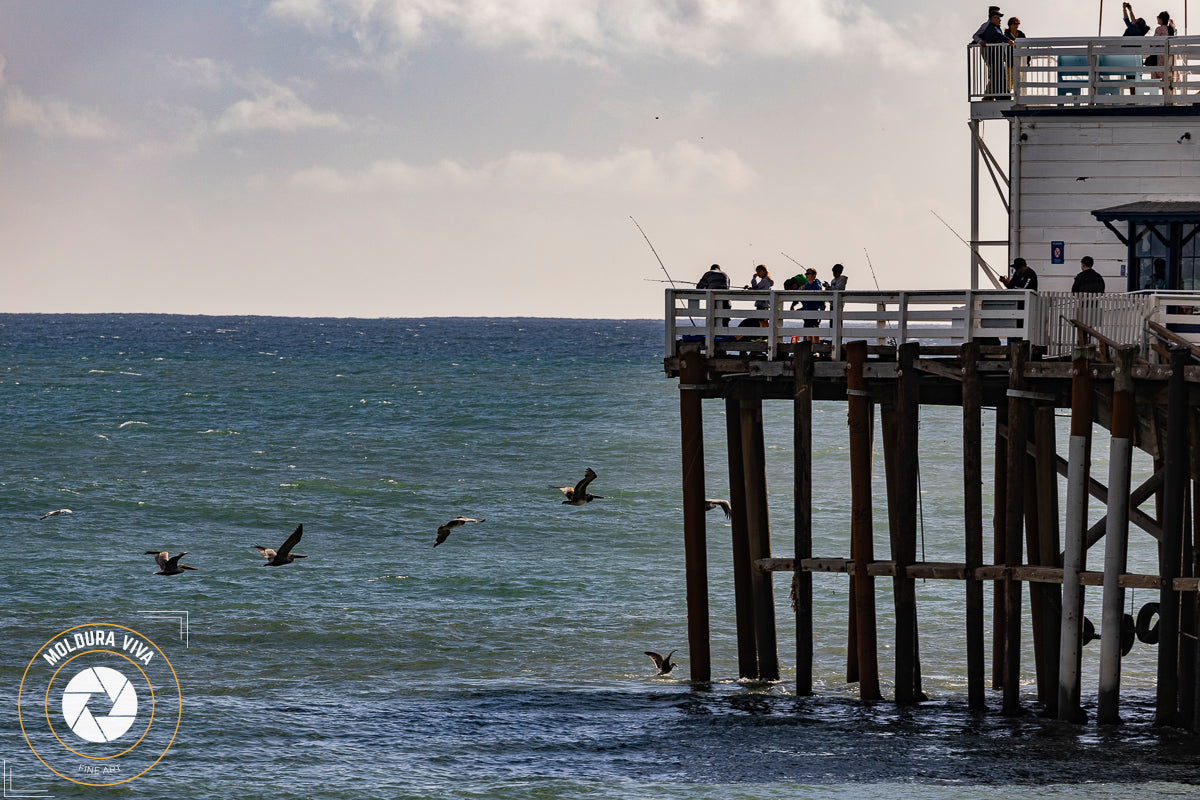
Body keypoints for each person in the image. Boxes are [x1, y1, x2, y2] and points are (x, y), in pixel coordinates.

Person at [973, 7, 1011, 96]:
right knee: (995, 75)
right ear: (991, 16)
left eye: (1000, 17)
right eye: (997, 16)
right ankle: (992, 95)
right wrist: (980, 41)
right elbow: (975, 35)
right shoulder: (987, 26)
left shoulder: (996, 27)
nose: (999, 19)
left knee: (996, 75)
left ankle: (993, 95)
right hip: (990, 54)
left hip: (996, 54)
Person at [696, 263, 730, 329]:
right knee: (725, 320)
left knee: (712, 319)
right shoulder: (725, 275)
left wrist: (707, 287)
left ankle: (714, 336)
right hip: (726, 301)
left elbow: (699, 287)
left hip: (713, 300)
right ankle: (724, 336)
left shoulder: (708, 274)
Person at [1150, 10, 1176, 81]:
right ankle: (1165, 91)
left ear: (1161, 19)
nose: (1157, 19)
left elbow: (1153, 43)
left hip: (1160, 57)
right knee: (1165, 78)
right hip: (1168, 56)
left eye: (1158, 17)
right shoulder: (1170, 29)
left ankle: (1155, 91)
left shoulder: (1159, 29)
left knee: (1155, 76)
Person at [800, 268, 825, 338]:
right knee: (807, 331)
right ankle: (808, 345)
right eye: (806, 274)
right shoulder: (806, 285)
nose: (806, 275)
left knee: (814, 331)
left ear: (814, 275)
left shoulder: (817, 285)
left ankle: (815, 345)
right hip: (806, 310)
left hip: (814, 310)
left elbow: (816, 292)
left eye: (808, 274)